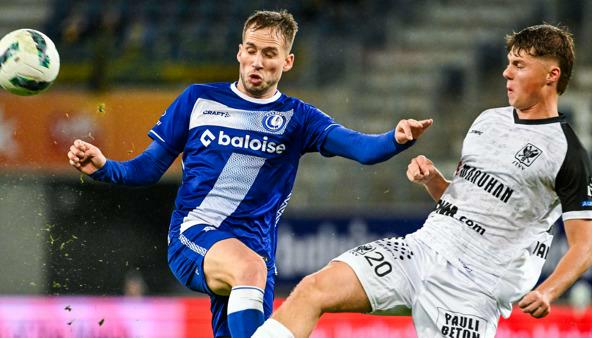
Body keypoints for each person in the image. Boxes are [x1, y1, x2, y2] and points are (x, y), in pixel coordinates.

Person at [66, 10, 432, 338]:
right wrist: (105, 168)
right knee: (248, 269)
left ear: (287, 62)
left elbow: (360, 148)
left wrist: (395, 139)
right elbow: (147, 168)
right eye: (252, 50)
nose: (258, 61)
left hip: (258, 261)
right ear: (239, 52)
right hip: (195, 236)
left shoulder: (298, 118)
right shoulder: (198, 100)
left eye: (269, 54)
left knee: (251, 288)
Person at [252, 24, 592, 338]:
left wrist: (547, 291)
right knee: (313, 289)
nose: (506, 73)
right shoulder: (488, 121)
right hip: (422, 249)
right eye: (509, 62)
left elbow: (583, 247)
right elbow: (470, 204)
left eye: (519, 66)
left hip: (473, 288)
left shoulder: (567, 152)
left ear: (552, 74)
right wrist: (434, 181)